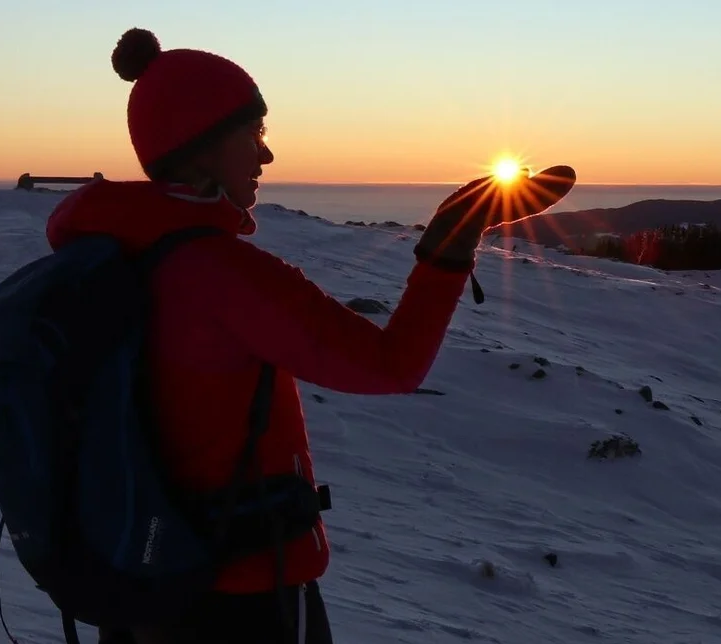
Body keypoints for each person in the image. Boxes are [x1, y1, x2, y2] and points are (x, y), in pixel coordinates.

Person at [45, 27, 573, 644]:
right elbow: (391, 365)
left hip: (141, 585)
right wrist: (449, 242)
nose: (266, 155)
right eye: (254, 133)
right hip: (237, 595)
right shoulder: (221, 272)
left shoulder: (115, 253)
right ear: (202, 146)